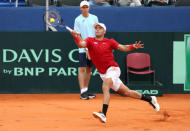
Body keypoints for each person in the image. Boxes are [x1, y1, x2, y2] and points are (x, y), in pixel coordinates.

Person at [70, 23, 160, 123]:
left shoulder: (110, 42)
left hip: (113, 69)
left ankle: (103, 114)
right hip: (103, 74)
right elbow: (81, 44)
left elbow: (123, 48)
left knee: (105, 86)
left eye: (100, 28)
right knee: (127, 92)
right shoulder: (90, 40)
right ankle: (150, 99)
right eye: (96, 28)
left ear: (104, 31)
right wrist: (76, 37)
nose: (97, 29)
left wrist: (133, 46)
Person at [74, 0, 99, 100]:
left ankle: (86, 90)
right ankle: (82, 92)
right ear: (80, 8)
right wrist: (86, 48)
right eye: (83, 7)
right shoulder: (78, 20)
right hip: (82, 48)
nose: (85, 8)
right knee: (82, 69)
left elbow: (97, 32)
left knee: (89, 69)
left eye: (86, 7)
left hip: (93, 47)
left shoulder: (94, 18)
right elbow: (78, 35)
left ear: (89, 8)